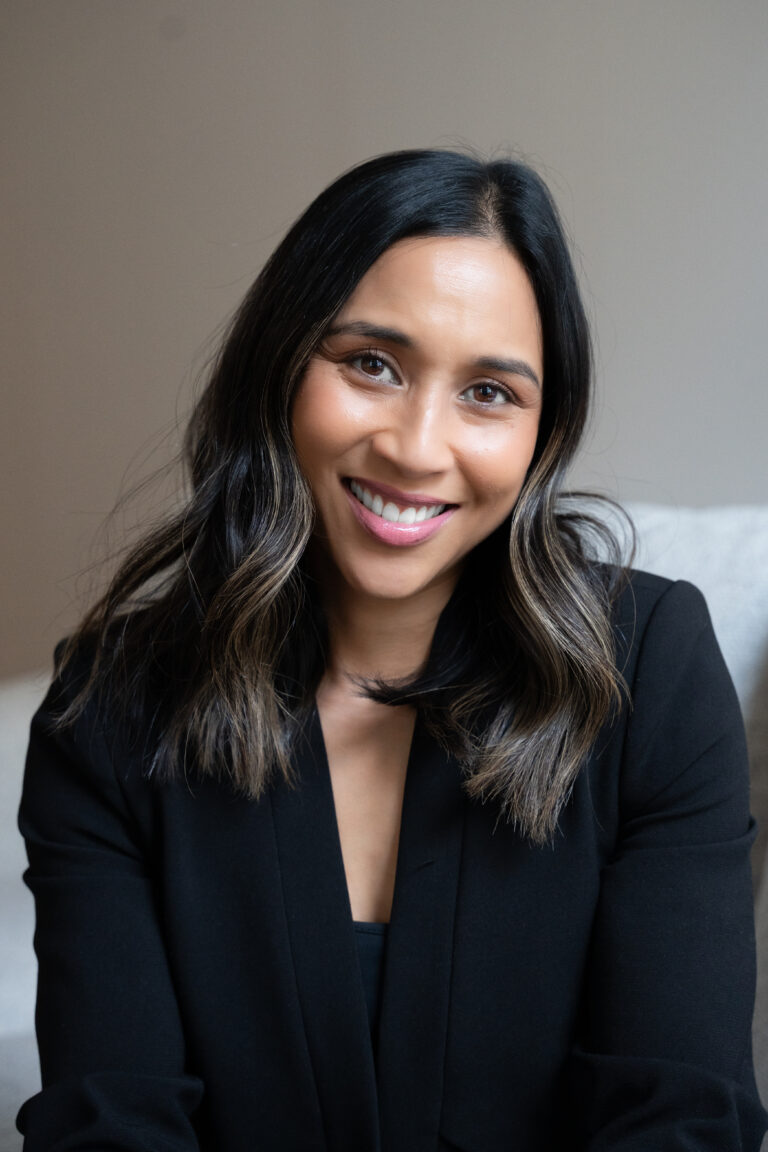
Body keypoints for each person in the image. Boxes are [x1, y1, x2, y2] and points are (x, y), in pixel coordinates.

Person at [17, 149, 767, 1151]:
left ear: (543, 436)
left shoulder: (650, 671)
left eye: (489, 392)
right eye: (372, 363)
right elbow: (110, 1125)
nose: (417, 447)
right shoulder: (108, 710)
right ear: (280, 365)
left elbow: (683, 1120)